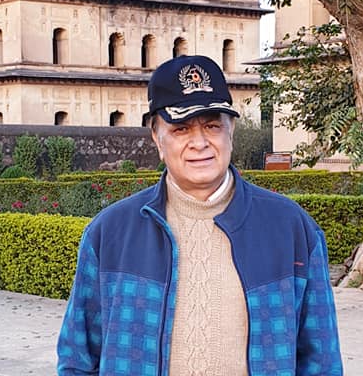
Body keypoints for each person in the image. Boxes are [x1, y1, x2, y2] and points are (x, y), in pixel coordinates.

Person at [57, 55, 343, 376]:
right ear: (157, 138)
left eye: (212, 126)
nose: (200, 143)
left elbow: (322, 363)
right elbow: (77, 360)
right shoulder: (111, 233)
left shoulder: (290, 229)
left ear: (231, 131)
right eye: (181, 129)